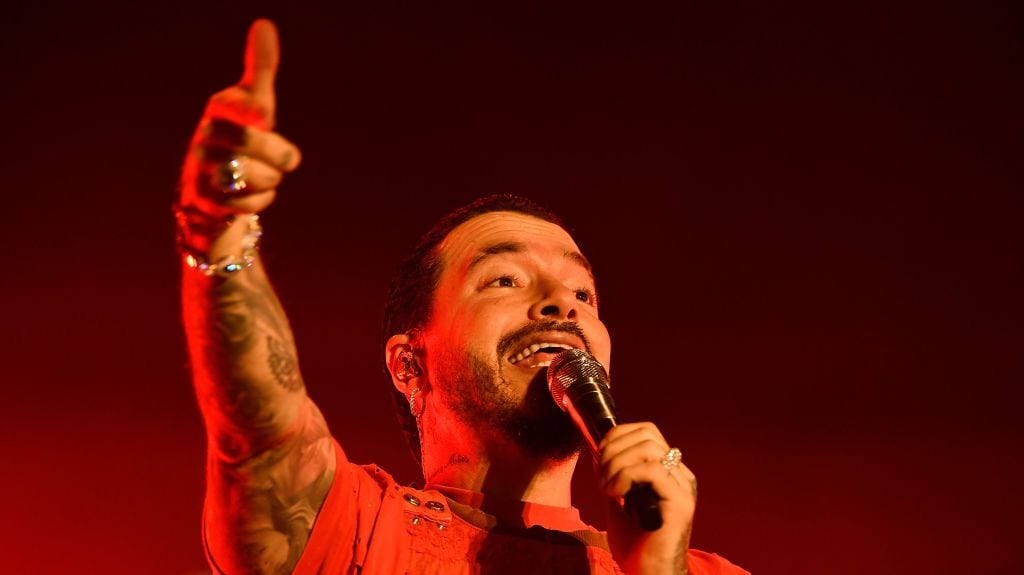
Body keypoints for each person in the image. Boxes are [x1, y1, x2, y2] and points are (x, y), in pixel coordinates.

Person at [177, 19, 749, 575]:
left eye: (583, 292)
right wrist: (217, 233)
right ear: (408, 363)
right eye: (504, 280)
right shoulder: (354, 526)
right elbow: (258, 426)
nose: (562, 303)